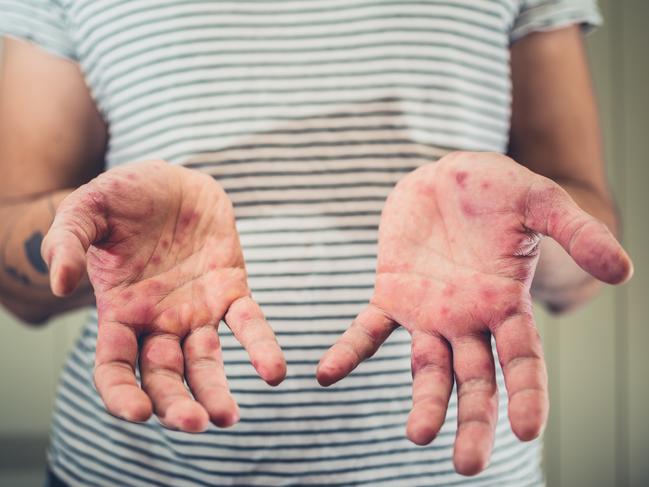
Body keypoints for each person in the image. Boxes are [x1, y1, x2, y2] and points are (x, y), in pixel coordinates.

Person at [0, 1, 633, 485]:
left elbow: (584, 247)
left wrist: (518, 245)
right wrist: (100, 240)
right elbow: (16, 282)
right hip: (133, 467)